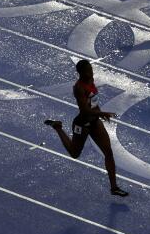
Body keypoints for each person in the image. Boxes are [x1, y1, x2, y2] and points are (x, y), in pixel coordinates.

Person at [44, 60, 128, 197]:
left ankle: (114, 187)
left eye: (91, 69)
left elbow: (93, 100)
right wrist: (102, 113)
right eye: (88, 70)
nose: (91, 71)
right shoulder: (78, 88)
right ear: (81, 73)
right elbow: (84, 110)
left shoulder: (91, 80)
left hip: (94, 122)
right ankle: (58, 127)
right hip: (82, 124)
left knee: (108, 152)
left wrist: (100, 114)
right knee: (75, 153)